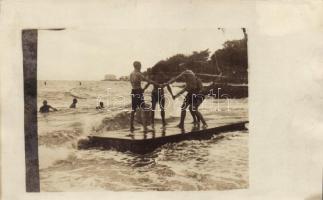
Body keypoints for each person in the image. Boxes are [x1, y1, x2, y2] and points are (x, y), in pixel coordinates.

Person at [130, 61, 159, 132]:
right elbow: (148, 80)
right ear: (138, 66)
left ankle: (131, 127)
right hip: (138, 92)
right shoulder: (138, 74)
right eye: (140, 66)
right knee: (142, 109)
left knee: (133, 110)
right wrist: (156, 83)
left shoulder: (131, 74)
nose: (141, 67)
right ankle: (145, 128)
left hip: (133, 91)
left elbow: (132, 82)